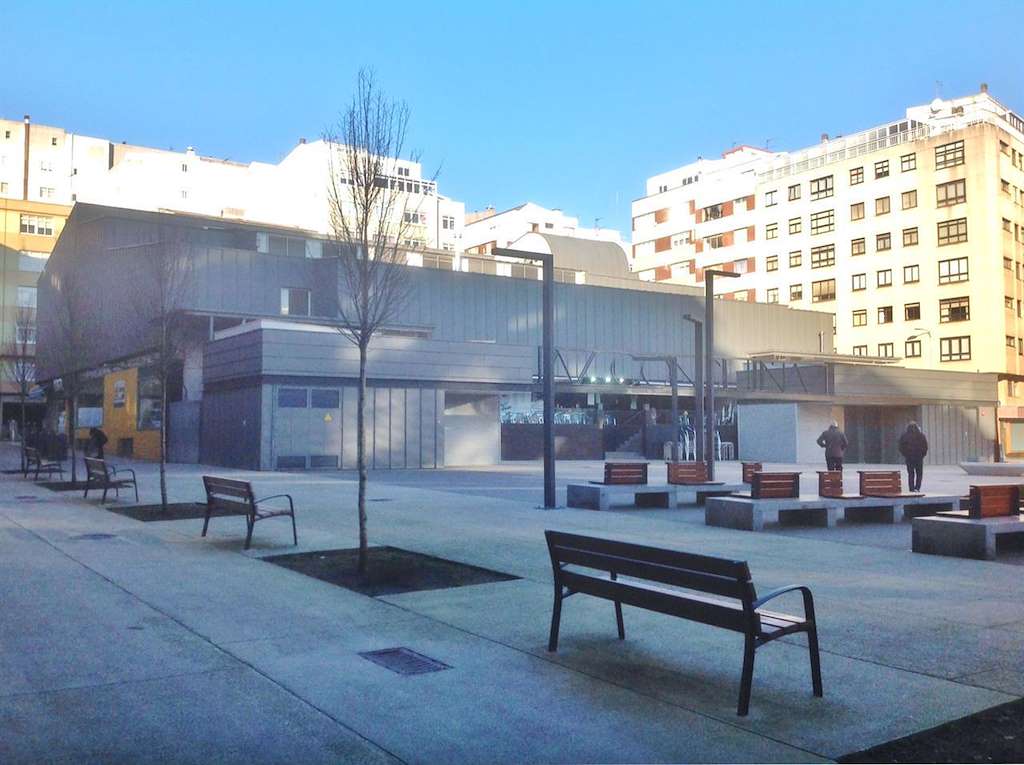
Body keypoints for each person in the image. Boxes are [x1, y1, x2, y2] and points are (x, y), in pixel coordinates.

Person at [898, 421, 928, 492]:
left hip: (909, 458)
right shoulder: (921, 436)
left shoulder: (905, 436)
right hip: (919, 458)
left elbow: (901, 447)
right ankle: (917, 488)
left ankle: (911, 489)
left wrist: (905, 454)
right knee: (919, 473)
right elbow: (925, 447)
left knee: (911, 474)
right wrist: (922, 455)